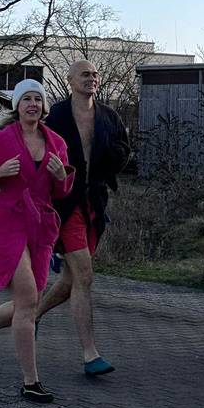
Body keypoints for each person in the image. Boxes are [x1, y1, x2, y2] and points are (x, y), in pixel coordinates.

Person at [0, 80, 75, 404]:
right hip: (8, 221)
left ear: (44, 106)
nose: (32, 104)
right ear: (17, 105)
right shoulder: (2, 139)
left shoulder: (56, 142)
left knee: (29, 303)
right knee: (28, 297)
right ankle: (31, 381)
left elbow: (62, 191)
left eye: (37, 99)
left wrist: (62, 177)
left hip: (41, 226)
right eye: (26, 98)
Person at [35, 60, 131, 377]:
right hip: (64, 204)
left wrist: (111, 160)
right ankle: (90, 354)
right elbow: (36, 151)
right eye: (85, 74)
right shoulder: (56, 116)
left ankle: (31, 317)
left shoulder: (109, 116)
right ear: (70, 80)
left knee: (71, 280)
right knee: (85, 276)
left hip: (95, 203)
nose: (92, 79)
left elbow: (124, 149)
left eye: (95, 74)